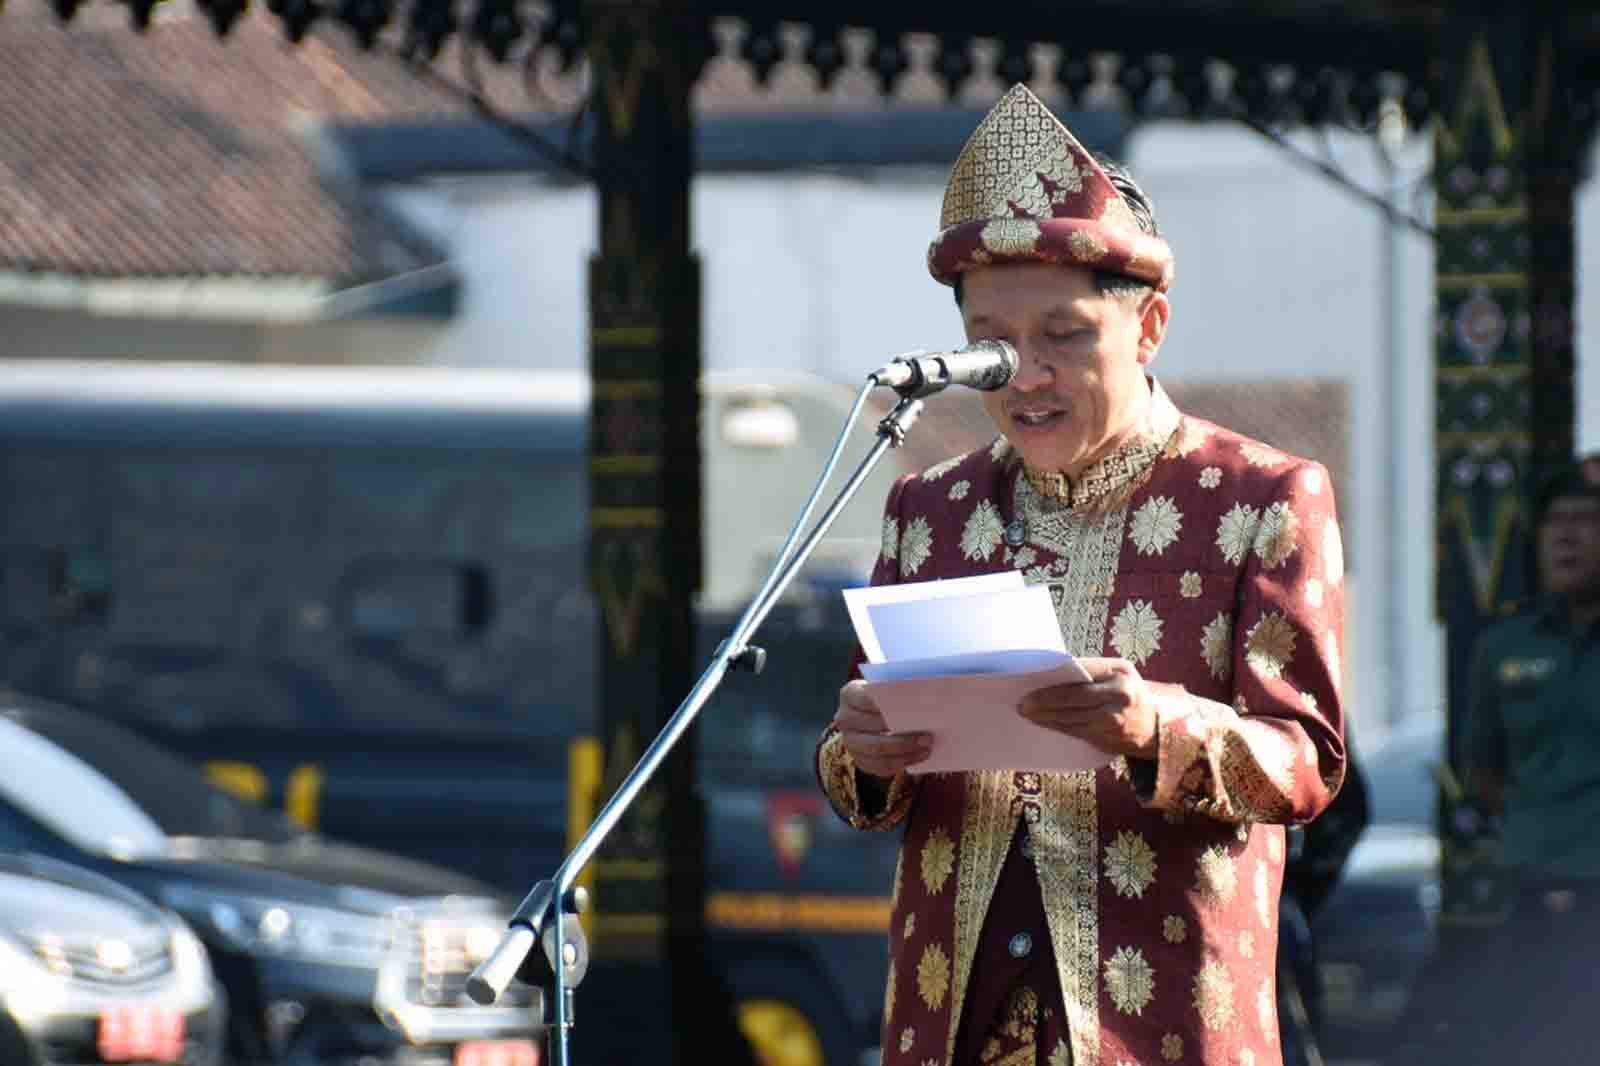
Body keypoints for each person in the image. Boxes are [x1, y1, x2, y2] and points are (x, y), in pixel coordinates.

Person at [813, 84, 1348, 1066]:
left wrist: (1160, 728)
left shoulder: (1258, 498)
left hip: (1161, 1015)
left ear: (1146, 329)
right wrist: (859, 759)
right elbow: (863, 760)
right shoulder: (927, 508)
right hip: (954, 1010)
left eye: (1063, 335)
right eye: (991, 344)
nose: (1023, 375)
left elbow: (1310, 761)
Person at [1399, 462, 1600, 1063]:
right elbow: (1482, 772)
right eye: (1555, 523)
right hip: (1537, 891)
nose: (1567, 537)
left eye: (1588, 521)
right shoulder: (1505, 647)